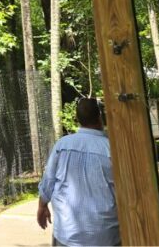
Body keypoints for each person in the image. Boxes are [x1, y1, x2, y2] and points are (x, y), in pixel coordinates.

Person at [36, 98, 120, 246]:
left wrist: (42, 206)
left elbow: (48, 181)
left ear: (77, 119)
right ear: (100, 117)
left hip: (66, 233)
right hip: (106, 235)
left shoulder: (62, 145)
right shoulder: (112, 148)